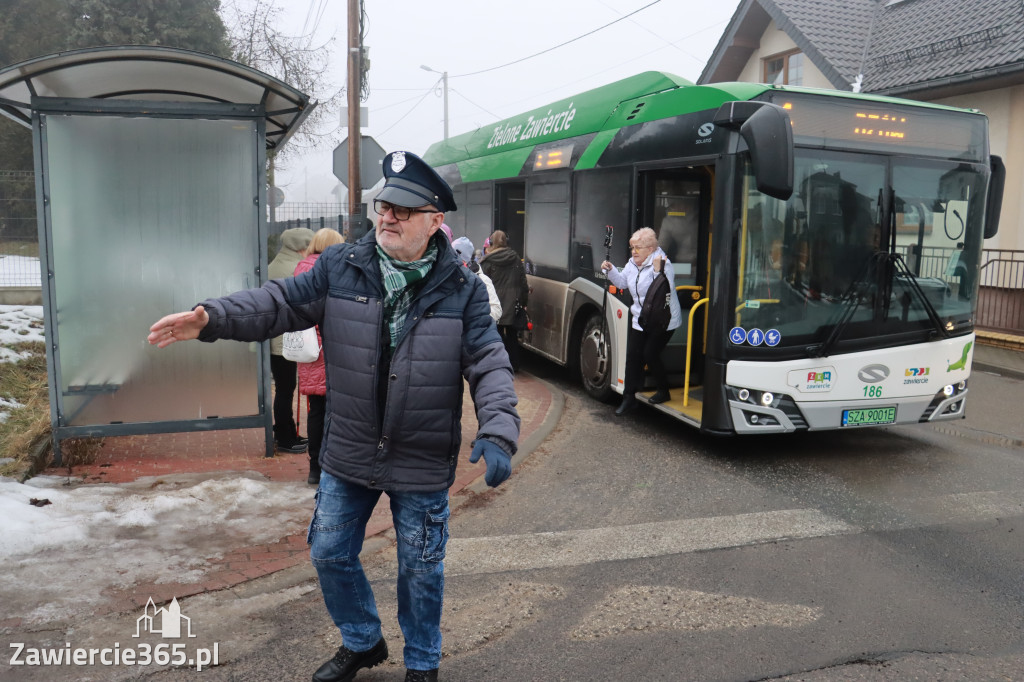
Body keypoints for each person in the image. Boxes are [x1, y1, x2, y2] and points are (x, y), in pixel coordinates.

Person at [147, 150, 520, 682]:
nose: (387, 216)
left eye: (404, 209)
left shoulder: (462, 289)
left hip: (421, 453)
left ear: (436, 220)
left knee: (420, 569)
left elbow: (488, 361)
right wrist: (212, 318)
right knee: (328, 552)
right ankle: (363, 640)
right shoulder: (341, 267)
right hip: (350, 449)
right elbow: (276, 302)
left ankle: (422, 662)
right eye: (384, 205)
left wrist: (500, 429)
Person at [601, 226, 683, 415]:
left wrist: (656, 272)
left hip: (663, 319)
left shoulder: (663, 263)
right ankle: (629, 398)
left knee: (649, 354)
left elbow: (664, 292)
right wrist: (610, 270)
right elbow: (622, 283)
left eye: (638, 248)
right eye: (632, 248)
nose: (634, 252)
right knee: (633, 357)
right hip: (641, 318)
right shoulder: (632, 264)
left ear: (651, 249)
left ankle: (663, 390)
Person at [294, 227, 345, 486]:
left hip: (310, 349)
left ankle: (315, 467)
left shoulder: (301, 268)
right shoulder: (335, 270)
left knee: (316, 409)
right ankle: (332, 465)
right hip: (334, 345)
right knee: (337, 410)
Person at [269, 226, 315, 453]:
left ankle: (285, 431)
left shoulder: (273, 265)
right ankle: (286, 437)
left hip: (273, 336)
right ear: (302, 247)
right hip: (287, 338)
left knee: (283, 387)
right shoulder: (295, 269)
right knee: (286, 388)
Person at [480, 230, 528, 372]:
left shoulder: (487, 261)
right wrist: (524, 303)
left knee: (496, 335)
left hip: (495, 305)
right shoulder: (516, 258)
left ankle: (499, 366)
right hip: (513, 305)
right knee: (513, 336)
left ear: (491, 243)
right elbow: (523, 283)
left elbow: (482, 285)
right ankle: (514, 365)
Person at [451, 236, 502, 321]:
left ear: (464, 261)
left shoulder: (482, 280)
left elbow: (496, 310)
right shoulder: (444, 277)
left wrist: (474, 317)